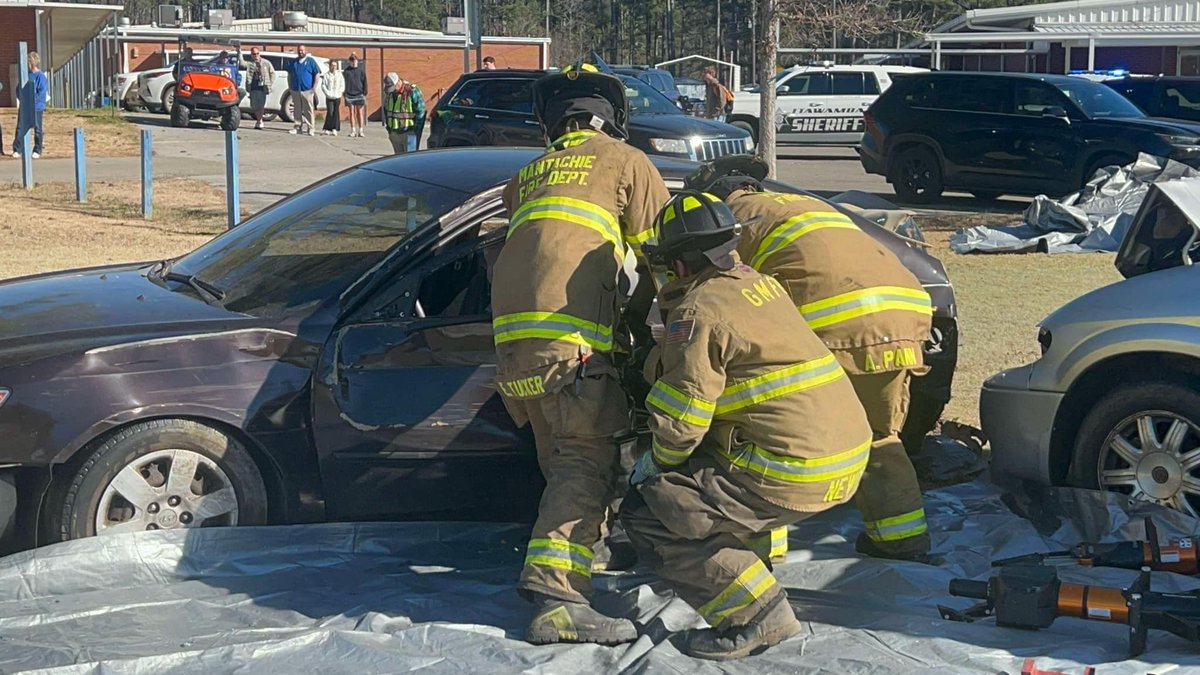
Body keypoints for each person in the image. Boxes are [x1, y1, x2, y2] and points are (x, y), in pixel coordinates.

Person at [619, 191, 872, 660]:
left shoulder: (699, 312)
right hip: (845, 458)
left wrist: (654, 465)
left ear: (679, 263)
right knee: (713, 483)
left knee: (653, 512)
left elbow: (682, 418)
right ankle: (749, 573)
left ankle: (757, 616)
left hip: (793, 469)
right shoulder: (760, 285)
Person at [491, 64, 669, 646]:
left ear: (553, 125)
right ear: (613, 121)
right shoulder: (625, 163)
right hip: (574, 351)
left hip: (516, 356)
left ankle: (580, 560)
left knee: (562, 464)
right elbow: (667, 259)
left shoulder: (526, 176)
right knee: (585, 467)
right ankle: (557, 599)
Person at [686, 156, 935, 562]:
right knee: (877, 435)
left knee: (774, 431)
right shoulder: (803, 204)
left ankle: (765, 546)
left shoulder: (729, 220)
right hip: (902, 320)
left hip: (831, 325)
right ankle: (901, 538)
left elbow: (720, 295)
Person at [12, 51, 49, 160]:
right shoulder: (26, 75)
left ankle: (37, 149)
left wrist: (33, 102)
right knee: (20, 128)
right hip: (25, 107)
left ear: (31, 64)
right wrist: (22, 99)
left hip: (36, 107)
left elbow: (42, 92)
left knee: (37, 128)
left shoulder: (40, 76)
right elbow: (19, 89)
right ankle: (17, 149)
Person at [381, 72, 425, 154]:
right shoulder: (389, 93)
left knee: (410, 161)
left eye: (392, 87)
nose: (392, 90)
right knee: (399, 162)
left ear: (398, 82)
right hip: (394, 133)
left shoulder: (412, 91)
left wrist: (416, 131)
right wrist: (390, 130)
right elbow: (386, 110)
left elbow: (421, 111)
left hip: (409, 133)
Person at [286, 45, 321, 136]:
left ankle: (311, 128)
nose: (300, 52)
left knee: (308, 110)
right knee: (297, 109)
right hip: (295, 89)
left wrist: (314, 88)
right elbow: (289, 74)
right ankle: (298, 127)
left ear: (305, 51)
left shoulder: (311, 61)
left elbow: (317, 74)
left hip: (307, 90)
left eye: (302, 50)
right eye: (299, 50)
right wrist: (290, 86)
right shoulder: (294, 62)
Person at [243, 47, 275, 130]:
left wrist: (269, 83)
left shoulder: (266, 63)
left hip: (262, 88)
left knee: (261, 105)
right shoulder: (250, 63)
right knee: (254, 106)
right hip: (253, 87)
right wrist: (239, 52)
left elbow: (272, 73)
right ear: (251, 55)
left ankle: (260, 121)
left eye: (257, 53)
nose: (256, 55)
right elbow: (242, 64)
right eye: (254, 54)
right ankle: (259, 120)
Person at [343, 53, 368, 137]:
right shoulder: (346, 72)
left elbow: (365, 83)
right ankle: (353, 130)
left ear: (357, 61)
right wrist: (344, 93)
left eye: (355, 60)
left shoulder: (361, 72)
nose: (353, 62)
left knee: (360, 112)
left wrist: (365, 93)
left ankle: (361, 130)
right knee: (351, 112)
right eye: (352, 61)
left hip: (359, 94)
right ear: (349, 62)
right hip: (349, 94)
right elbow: (343, 83)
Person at [321, 60, 345, 136]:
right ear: (330, 66)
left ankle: (335, 128)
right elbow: (323, 85)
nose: (334, 67)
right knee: (330, 112)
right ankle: (327, 128)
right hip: (329, 97)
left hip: (337, 96)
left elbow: (342, 84)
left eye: (335, 65)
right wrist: (327, 93)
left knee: (336, 112)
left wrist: (340, 92)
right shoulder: (326, 75)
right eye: (332, 65)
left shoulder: (339, 75)